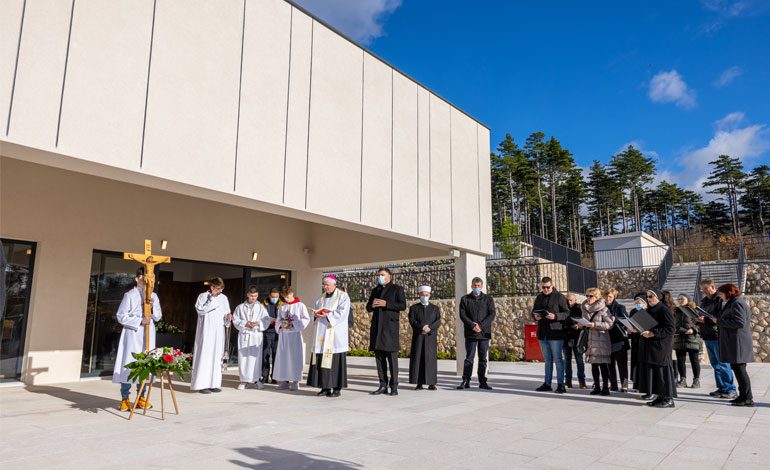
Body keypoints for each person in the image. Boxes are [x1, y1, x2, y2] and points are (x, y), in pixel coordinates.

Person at [112, 268, 161, 411]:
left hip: (148, 334)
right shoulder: (129, 295)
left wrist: (152, 307)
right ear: (136, 278)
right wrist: (140, 321)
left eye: (148, 278)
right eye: (143, 277)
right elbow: (121, 316)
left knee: (145, 365)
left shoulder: (154, 296)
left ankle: (141, 397)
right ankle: (125, 398)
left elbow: (158, 316)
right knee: (130, 363)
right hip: (133, 334)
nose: (146, 281)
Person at [365, 268, 407, 396]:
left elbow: (402, 305)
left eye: (382, 275)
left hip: (390, 329)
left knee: (392, 359)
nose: (380, 277)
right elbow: (368, 308)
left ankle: (394, 386)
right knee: (379, 359)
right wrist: (372, 304)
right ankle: (382, 385)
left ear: (389, 276)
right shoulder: (375, 290)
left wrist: (386, 303)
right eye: (379, 275)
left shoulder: (397, 289)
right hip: (377, 329)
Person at [308, 274, 350, 398]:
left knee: (335, 362)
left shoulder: (343, 296)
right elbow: (314, 314)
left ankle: (337, 388)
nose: (325, 287)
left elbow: (343, 313)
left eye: (327, 285)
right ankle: (325, 387)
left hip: (334, 336)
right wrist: (316, 314)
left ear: (334, 284)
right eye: (324, 285)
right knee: (322, 361)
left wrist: (328, 315)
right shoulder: (320, 299)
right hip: (321, 334)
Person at [633, 290, 677, 408]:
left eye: (651, 296)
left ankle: (668, 398)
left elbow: (670, 328)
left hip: (661, 347)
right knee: (655, 373)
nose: (648, 298)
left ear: (658, 298)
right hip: (650, 346)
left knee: (662, 372)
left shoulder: (664, 310)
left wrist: (653, 333)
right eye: (647, 296)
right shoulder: (649, 310)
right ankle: (660, 396)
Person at [696, 279, 737, 399]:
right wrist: (697, 320)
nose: (704, 291)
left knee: (723, 364)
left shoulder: (720, 300)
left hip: (717, 335)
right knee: (715, 364)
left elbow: (720, 318)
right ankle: (721, 388)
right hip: (707, 334)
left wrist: (706, 320)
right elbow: (704, 317)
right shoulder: (704, 302)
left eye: (706, 288)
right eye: (702, 289)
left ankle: (731, 389)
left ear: (713, 287)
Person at [190, 277, 232, 394]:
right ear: (212, 287)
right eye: (218, 289)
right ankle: (202, 384)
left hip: (219, 332)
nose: (220, 291)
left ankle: (214, 383)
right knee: (205, 356)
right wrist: (212, 300)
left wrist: (228, 318)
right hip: (206, 331)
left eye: (221, 289)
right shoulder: (203, 296)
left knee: (216, 356)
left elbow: (226, 313)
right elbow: (200, 310)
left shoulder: (224, 298)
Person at [716, 284, 755, 407]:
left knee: (740, 370)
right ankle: (742, 396)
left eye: (721, 294)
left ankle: (748, 398)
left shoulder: (737, 303)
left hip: (738, 342)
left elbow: (739, 322)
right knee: (738, 370)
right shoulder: (733, 302)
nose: (720, 297)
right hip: (735, 342)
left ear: (728, 293)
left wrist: (718, 321)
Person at [457, 277, 496, 390]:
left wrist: (481, 325)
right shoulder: (465, 299)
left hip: (484, 333)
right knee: (469, 357)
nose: (476, 288)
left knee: (483, 358)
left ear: (482, 286)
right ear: (471, 286)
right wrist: (473, 325)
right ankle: (466, 380)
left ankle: (482, 381)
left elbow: (492, 314)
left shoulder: (488, 299)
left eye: (478, 286)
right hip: (471, 333)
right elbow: (462, 315)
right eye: (475, 286)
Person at [531, 276, 569, 393]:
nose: (546, 289)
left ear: (552, 285)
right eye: (543, 287)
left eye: (548, 287)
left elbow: (567, 313)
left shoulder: (559, 297)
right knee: (547, 360)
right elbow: (533, 311)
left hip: (555, 333)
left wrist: (556, 316)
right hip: (543, 333)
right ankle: (547, 383)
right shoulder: (539, 297)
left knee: (558, 359)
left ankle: (560, 384)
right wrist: (535, 316)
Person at [232, 286, 271, 390]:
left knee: (256, 357)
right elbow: (235, 320)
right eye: (252, 296)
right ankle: (244, 381)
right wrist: (245, 323)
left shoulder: (261, 307)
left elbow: (266, 320)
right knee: (243, 358)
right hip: (244, 335)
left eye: (255, 296)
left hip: (256, 335)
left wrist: (257, 324)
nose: (254, 298)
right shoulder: (240, 307)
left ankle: (257, 380)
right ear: (248, 295)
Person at [273, 285, 311, 391]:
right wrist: (281, 324)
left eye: (287, 296)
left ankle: (295, 381)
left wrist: (293, 323)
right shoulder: (282, 306)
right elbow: (278, 319)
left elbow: (306, 319)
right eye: (284, 297)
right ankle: (284, 381)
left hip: (294, 335)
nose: (286, 299)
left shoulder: (300, 305)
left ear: (292, 293)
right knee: (283, 358)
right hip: (284, 335)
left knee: (294, 358)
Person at [408, 286, 441, 391]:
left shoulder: (435, 309)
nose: (424, 297)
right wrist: (422, 327)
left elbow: (438, 321)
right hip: (419, 336)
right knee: (418, 359)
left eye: (426, 295)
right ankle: (419, 383)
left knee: (430, 360)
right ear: (419, 295)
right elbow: (412, 321)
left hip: (430, 337)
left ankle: (432, 383)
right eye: (423, 295)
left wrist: (429, 328)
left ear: (429, 295)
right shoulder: (414, 308)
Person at [582, 288, 614, 396]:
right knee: (594, 365)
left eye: (590, 296)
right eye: (587, 296)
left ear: (596, 297)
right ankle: (597, 386)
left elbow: (610, 325)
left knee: (603, 365)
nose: (588, 298)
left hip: (602, 340)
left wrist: (595, 325)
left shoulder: (604, 309)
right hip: (591, 340)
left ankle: (605, 387)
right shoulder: (585, 308)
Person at [673, 293, 702, 388]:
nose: (679, 300)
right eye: (678, 299)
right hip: (679, 338)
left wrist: (693, 330)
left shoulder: (694, 310)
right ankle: (683, 380)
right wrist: (678, 330)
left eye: (682, 299)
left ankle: (696, 380)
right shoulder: (676, 311)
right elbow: (673, 324)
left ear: (688, 299)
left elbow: (699, 324)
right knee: (680, 360)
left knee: (694, 360)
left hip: (692, 339)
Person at [605, 288, 630, 392]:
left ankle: (624, 385)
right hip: (607, 339)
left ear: (614, 297)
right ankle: (613, 384)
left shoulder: (620, 307)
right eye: (606, 296)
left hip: (619, 340)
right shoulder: (602, 308)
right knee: (609, 364)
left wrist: (616, 319)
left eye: (610, 296)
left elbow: (626, 320)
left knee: (622, 364)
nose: (607, 298)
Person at [563, 292, 587, 389]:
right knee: (567, 361)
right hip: (566, 337)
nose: (569, 302)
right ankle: (568, 381)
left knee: (579, 361)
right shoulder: (563, 308)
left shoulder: (579, 308)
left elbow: (584, 320)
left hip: (577, 337)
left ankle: (582, 382)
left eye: (570, 300)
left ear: (575, 300)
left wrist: (579, 325)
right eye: (567, 300)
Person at [261, 288, 282, 385]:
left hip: (277, 332)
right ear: (269, 295)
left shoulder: (281, 304)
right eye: (273, 297)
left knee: (276, 355)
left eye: (276, 297)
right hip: (266, 331)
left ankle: (274, 377)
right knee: (265, 355)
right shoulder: (263, 304)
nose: (275, 299)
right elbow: (260, 316)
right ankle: (264, 376)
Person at [629, 294, 646, 391]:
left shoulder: (647, 311)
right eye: (636, 303)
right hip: (635, 339)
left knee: (642, 362)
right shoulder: (633, 311)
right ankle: (636, 383)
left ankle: (642, 384)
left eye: (639, 302)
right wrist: (629, 329)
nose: (637, 304)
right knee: (635, 362)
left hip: (644, 339)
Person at [662, 290, 679, 383]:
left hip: (671, 335)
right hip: (665, 335)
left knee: (673, 356)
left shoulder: (672, 308)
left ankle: (675, 375)